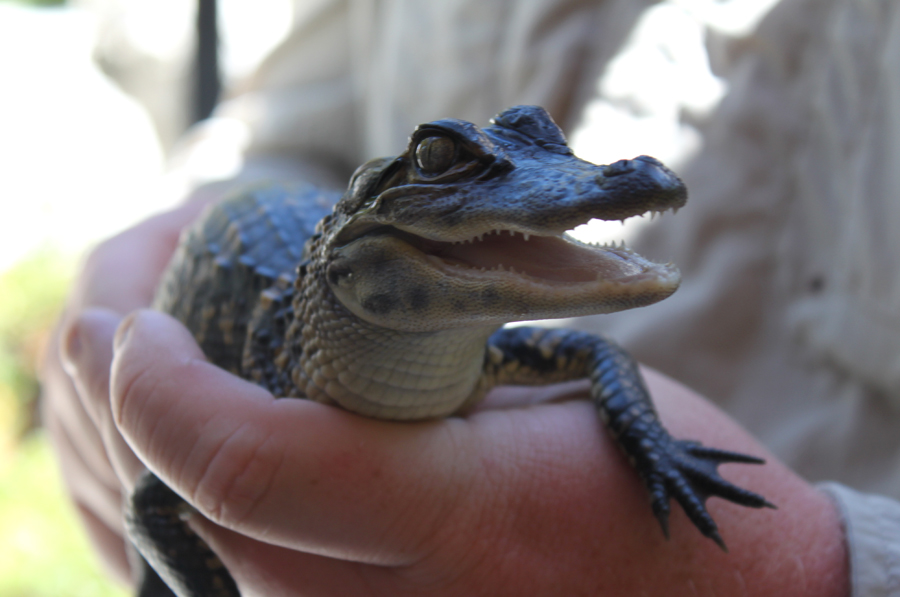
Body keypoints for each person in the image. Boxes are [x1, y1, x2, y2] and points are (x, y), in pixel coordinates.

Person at [41, 0, 900, 594]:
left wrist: (815, 571)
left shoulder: (502, 340)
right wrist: (154, 240)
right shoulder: (275, 363)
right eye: (445, 163)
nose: (609, 181)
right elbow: (157, 498)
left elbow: (595, 351)